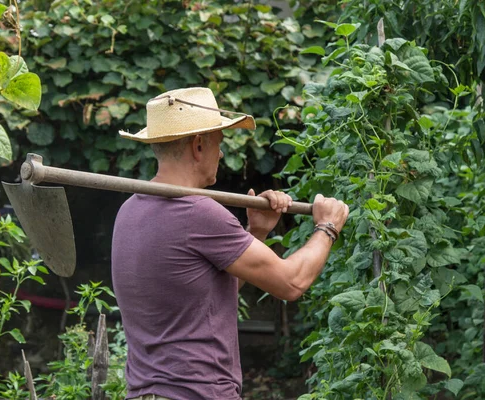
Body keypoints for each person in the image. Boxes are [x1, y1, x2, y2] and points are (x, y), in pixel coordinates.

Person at [112, 87, 349, 400]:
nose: (220, 154)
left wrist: (256, 232)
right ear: (198, 146)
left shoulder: (129, 211)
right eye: (218, 144)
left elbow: (207, 294)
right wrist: (327, 226)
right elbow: (292, 283)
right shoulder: (199, 212)